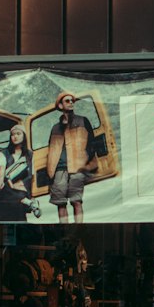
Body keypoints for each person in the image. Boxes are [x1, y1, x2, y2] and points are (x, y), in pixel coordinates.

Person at [45, 91, 96, 225]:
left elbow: (92, 143)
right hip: (59, 170)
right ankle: (64, 231)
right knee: (60, 203)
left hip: (77, 168)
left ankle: (78, 230)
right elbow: (50, 150)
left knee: (76, 201)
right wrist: (49, 172)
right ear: (60, 105)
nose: (71, 102)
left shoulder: (83, 121)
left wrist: (86, 163)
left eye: (72, 100)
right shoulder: (55, 128)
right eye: (67, 101)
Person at [0, 123, 32, 223]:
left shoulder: (29, 154)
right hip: (9, 187)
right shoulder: (4, 153)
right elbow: (2, 167)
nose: (15, 137)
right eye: (13, 134)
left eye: (18, 134)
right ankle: (24, 201)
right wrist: (1, 179)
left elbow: (32, 172)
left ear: (24, 136)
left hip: (23, 187)